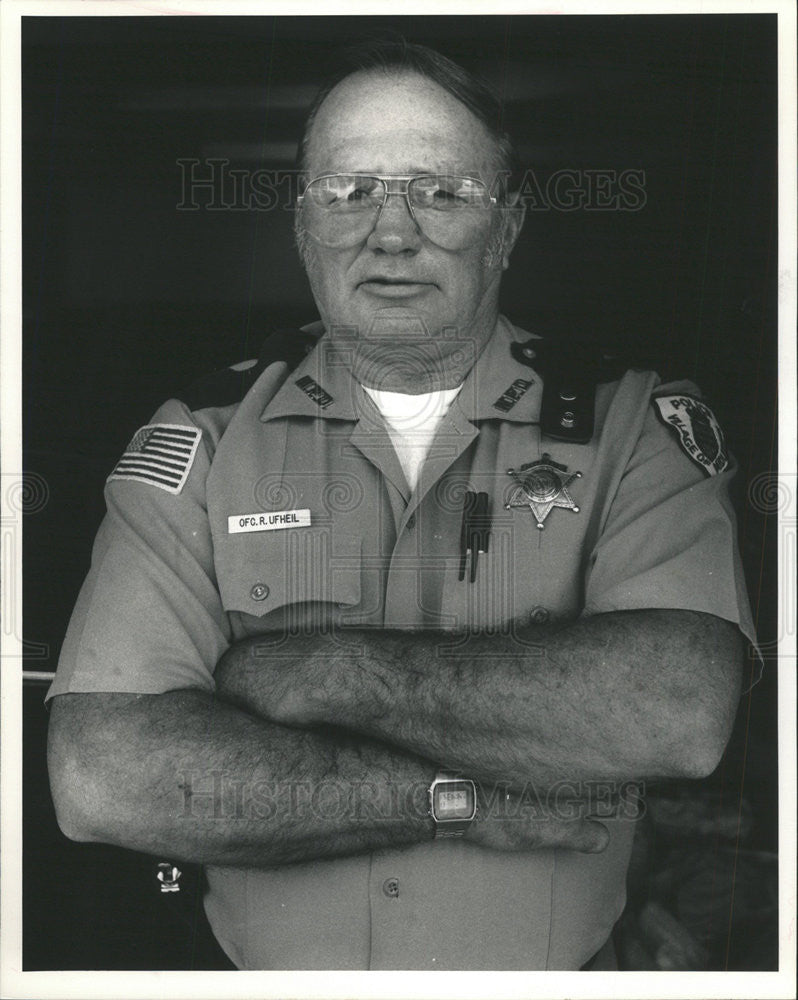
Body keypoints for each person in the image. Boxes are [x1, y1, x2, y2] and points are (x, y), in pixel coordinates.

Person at [46, 40, 757, 971]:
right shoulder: (206, 438)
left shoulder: (636, 424)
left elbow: (674, 709)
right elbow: (107, 777)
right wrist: (464, 799)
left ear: (505, 227)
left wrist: (327, 673)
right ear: (303, 223)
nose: (390, 232)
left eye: (443, 191)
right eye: (347, 191)